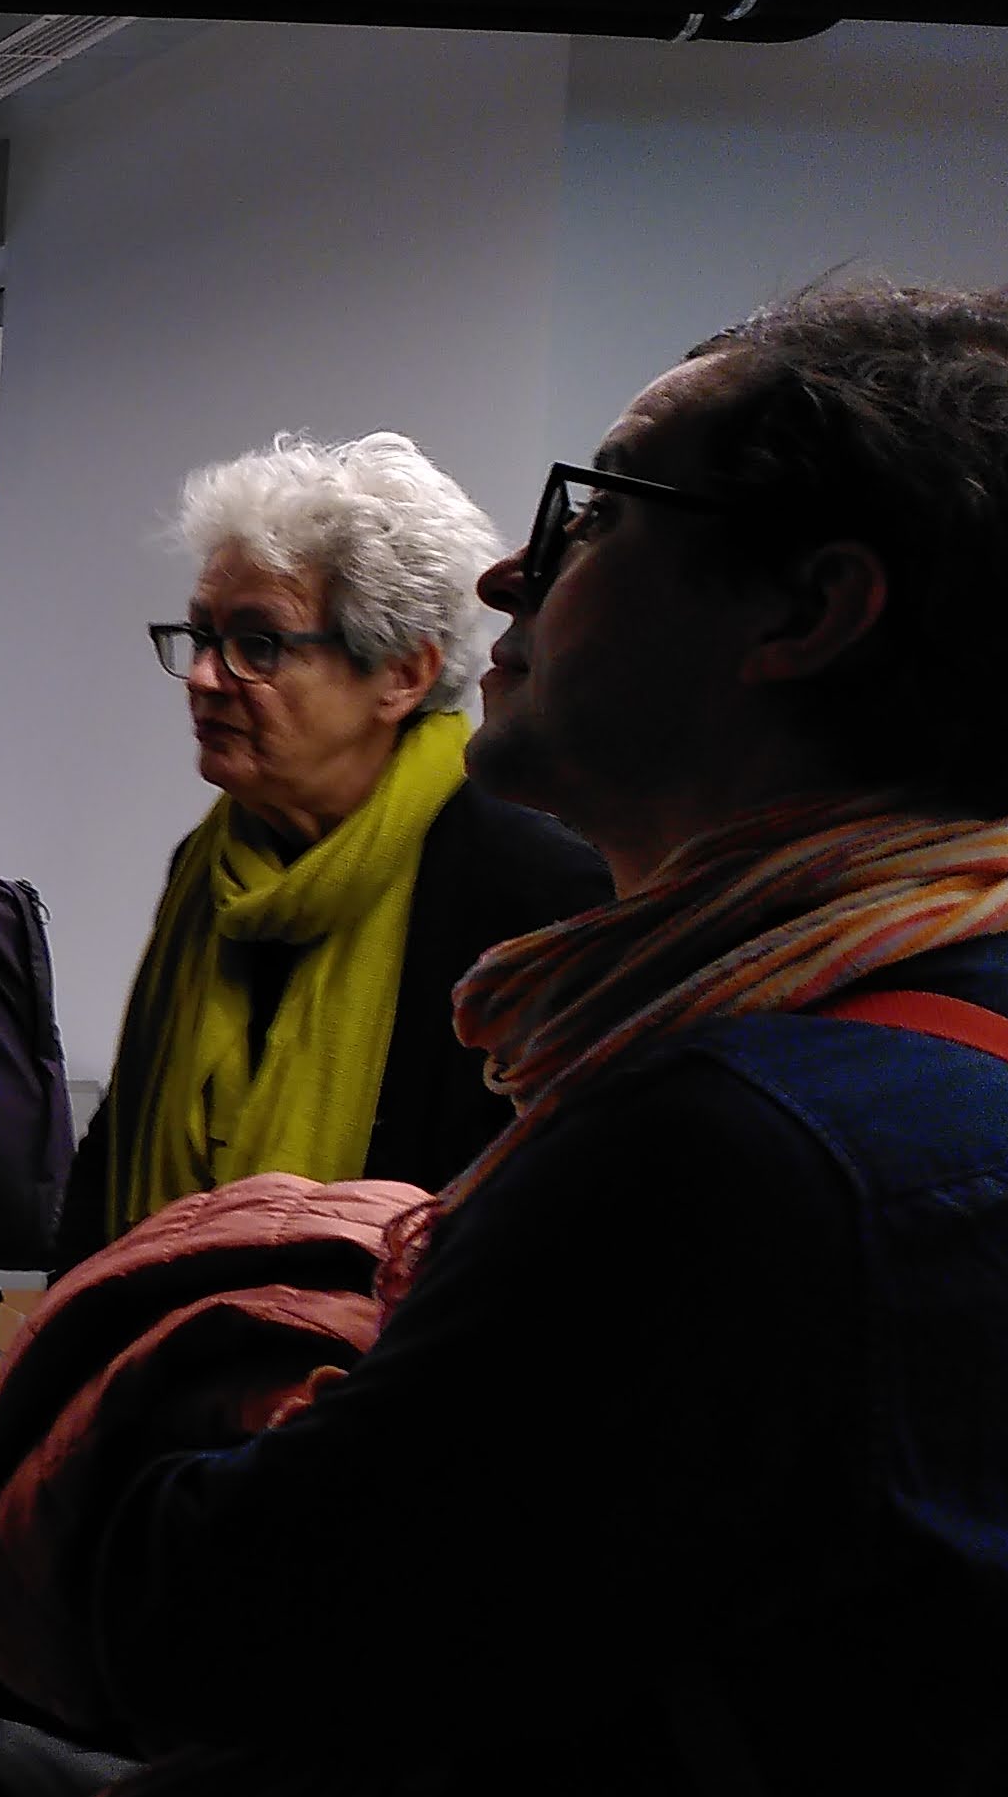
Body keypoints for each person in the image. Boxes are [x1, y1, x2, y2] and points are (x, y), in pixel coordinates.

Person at [74, 285, 1008, 1797]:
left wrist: (160, 1370)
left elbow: (220, 1613)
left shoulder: (727, 1148)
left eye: (592, 516)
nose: (513, 578)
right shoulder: (995, 1014)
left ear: (807, 609)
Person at [59, 431, 608, 1259]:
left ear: (403, 674)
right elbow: (115, 1155)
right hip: (156, 1330)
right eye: (202, 637)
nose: (205, 677)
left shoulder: (536, 889)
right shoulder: (212, 870)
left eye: (258, 644)